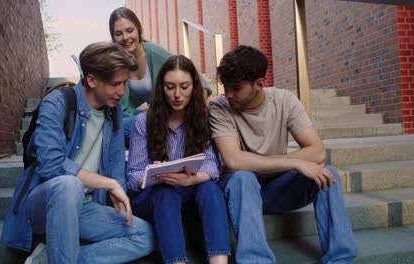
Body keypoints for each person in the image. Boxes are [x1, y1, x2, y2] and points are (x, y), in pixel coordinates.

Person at [1, 42, 154, 264]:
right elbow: (52, 166)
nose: (122, 92)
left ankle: (50, 258)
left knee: (146, 235)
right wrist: (108, 183)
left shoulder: (114, 111)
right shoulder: (57, 101)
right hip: (45, 204)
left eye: (124, 83)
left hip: (86, 208)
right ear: (92, 80)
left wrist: (118, 188)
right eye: (115, 84)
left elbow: (116, 170)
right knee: (68, 184)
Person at [209, 45, 358, 264]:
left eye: (236, 88)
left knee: (327, 174)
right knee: (243, 177)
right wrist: (296, 164)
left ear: (260, 84)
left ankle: (341, 259)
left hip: (277, 188)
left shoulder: (285, 101)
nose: (228, 94)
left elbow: (317, 152)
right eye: (226, 87)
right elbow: (233, 161)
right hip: (241, 192)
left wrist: (288, 164)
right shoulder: (219, 107)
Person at [127, 55, 230, 264]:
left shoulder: (204, 118)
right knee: (165, 192)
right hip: (155, 197)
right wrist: (152, 175)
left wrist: (192, 179)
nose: (177, 94)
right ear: (161, 88)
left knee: (210, 189)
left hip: (191, 191)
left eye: (184, 87)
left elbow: (212, 164)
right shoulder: (143, 121)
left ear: (194, 86)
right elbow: (133, 176)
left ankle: (219, 261)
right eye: (170, 87)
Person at [109, 7, 212, 146]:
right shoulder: (119, 62)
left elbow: (202, 84)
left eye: (130, 30)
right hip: (148, 115)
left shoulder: (154, 53)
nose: (125, 38)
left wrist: (195, 118)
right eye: (118, 33)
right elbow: (123, 105)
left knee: (117, 131)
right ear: (113, 37)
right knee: (112, 120)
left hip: (169, 114)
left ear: (138, 30)